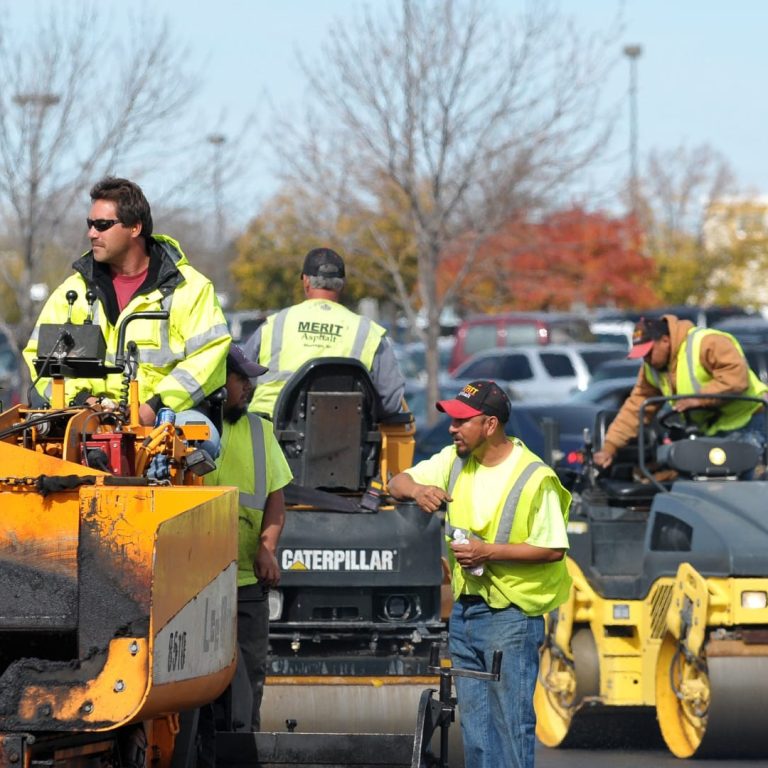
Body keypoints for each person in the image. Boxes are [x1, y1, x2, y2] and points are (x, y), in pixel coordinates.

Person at [388, 380, 571, 768]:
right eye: (452, 420)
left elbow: (554, 547)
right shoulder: (453, 461)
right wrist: (419, 490)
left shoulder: (533, 477)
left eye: (461, 421)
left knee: (509, 725)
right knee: (476, 729)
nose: (452, 428)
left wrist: (489, 551)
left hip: (512, 617)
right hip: (466, 615)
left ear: (489, 425)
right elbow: (395, 482)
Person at [23, 176, 230, 442]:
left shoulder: (190, 288)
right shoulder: (71, 290)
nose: (91, 233)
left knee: (201, 439)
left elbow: (209, 356)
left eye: (102, 225)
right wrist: (84, 401)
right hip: (84, 418)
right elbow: (37, 357)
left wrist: (154, 406)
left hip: (164, 419)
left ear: (135, 228)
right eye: (90, 224)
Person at [204, 346, 293, 731]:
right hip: (196, 586)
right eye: (242, 379)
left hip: (245, 583)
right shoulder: (182, 430)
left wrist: (267, 548)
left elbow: (276, 497)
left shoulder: (260, 430)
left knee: (248, 686)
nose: (250, 387)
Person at [243, 247, 405, 418]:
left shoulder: (275, 325)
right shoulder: (368, 333)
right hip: (346, 440)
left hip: (268, 437)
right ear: (342, 284)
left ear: (305, 281)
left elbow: (239, 380)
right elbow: (391, 403)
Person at [593, 315, 768, 469]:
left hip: (749, 422)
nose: (646, 359)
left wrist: (698, 400)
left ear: (665, 341)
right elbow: (635, 408)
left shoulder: (707, 342)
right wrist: (610, 447)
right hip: (710, 432)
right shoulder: (652, 369)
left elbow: (736, 378)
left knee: (744, 489)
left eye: (649, 352)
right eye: (641, 355)